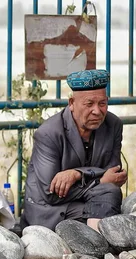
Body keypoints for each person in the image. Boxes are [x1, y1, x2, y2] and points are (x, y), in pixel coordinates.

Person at [21, 69, 127, 231]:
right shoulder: (49, 133)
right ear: (71, 103)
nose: (97, 111)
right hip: (50, 210)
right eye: (89, 104)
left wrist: (77, 173)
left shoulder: (113, 124)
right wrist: (100, 181)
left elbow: (114, 174)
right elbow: (51, 193)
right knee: (109, 197)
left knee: (110, 193)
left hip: (91, 201)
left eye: (102, 104)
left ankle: (94, 243)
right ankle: (97, 243)